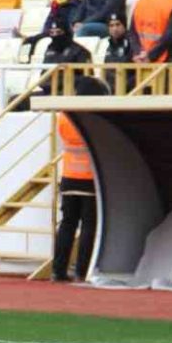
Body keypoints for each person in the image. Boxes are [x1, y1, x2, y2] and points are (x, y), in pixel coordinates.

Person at [51, 112, 96, 282]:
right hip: (90, 179)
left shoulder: (64, 117)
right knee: (89, 226)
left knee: (67, 225)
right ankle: (82, 272)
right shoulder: (92, 118)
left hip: (69, 176)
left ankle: (58, 271)